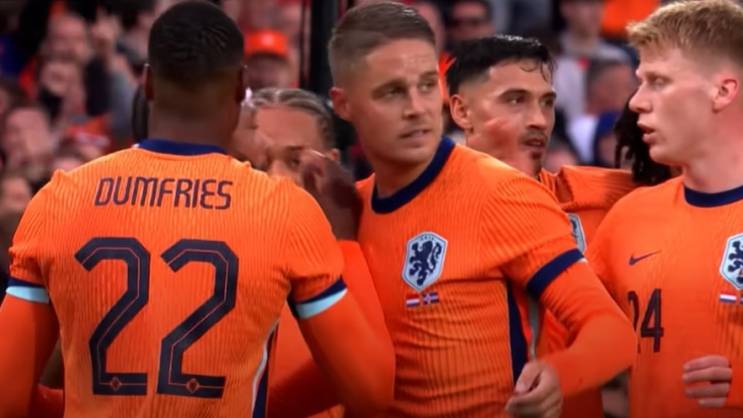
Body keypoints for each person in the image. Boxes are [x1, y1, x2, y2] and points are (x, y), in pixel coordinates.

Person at [0, 2, 393, 417]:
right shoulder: (283, 209)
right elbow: (371, 393)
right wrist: (345, 241)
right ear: (240, 86)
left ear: (147, 83)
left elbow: (6, 396)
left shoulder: (61, 198)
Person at [328, 2, 635, 417]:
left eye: (426, 85)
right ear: (344, 104)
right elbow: (352, 370)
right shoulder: (350, 208)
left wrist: (560, 374)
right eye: (392, 91)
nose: (416, 107)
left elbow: (612, 332)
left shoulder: (509, 194)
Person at [446, 34, 636, 418]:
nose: (539, 120)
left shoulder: (599, 197)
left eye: (547, 103)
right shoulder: (414, 211)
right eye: (515, 100)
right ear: (462, 111)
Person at [587, 1, 743, 417]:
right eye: (640, 82)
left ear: (723, 91)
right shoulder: (628, 216)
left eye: (658, 81)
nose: (636, 101)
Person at [237, 88, 389, 418]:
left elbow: (372, 390)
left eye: (295, 162)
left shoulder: (374, 253)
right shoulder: (209, 264)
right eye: (257, 164)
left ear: (331, 166)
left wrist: (343, 243)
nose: (277, 179)